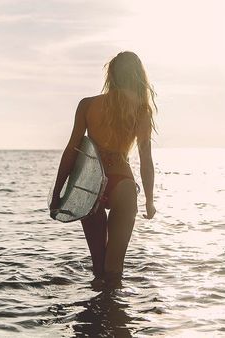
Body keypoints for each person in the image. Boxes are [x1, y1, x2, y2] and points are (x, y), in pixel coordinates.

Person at [50, 51, 157, 284]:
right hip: (123, 185)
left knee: (98, 266)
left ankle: (95, 316)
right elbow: (145, 159)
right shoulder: (141, 111)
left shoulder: (88, 105)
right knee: (114, 269)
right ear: (138, 76)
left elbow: (72, 151)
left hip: (90, 185)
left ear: (112, 75)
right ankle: (114, 315)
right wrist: (149, 199)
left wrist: (58, 192)